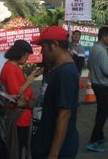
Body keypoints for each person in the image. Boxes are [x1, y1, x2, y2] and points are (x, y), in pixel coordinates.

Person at [30, 26, 79, 159]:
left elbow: (64, 114)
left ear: (54, 45)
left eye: (43, 47)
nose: (41, 51)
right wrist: (28, 104)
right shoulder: (57, 69)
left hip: (57, 150)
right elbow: (50, 103)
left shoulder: (65, 73)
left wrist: (53, 153)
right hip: (46, 142)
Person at [0, 40, 43, 159]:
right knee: (17, 150)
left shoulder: (14, 67)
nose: (27, 59)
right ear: (21, 53)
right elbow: (17, 95)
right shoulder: (10, 68)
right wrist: (30, 79)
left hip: (24, 116)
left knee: (23, 149)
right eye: (27, 55)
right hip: (19, 118)